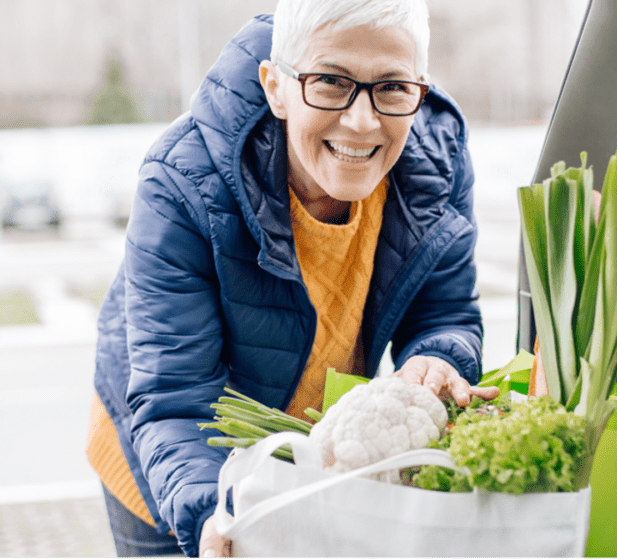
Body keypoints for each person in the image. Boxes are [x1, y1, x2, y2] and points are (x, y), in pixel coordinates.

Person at [85, 0, 499, 556]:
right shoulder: (182, 182)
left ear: (418, 89)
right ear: (275, 86)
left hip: (302, 452)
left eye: (393, 88)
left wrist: (440, 356)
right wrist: (216, 514)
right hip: (171, 454)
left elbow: (444, 311)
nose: (362, 120)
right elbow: (176, 398)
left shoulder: (435, 159)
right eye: (330, 82)